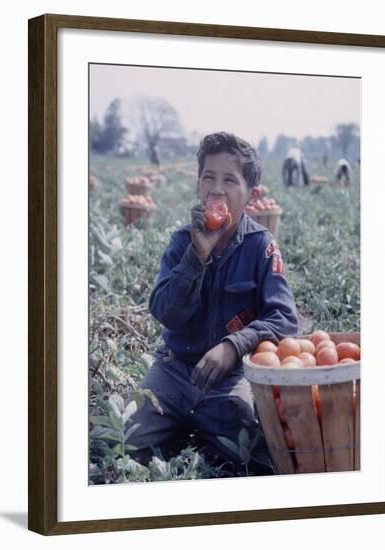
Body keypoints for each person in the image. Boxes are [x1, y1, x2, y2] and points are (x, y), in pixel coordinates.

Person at [126, 132, 298, 475]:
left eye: (230, 180)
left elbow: (284, 318)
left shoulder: (261, 247)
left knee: (254, 449)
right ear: (198, 186)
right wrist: (196, 256)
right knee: (125, 440)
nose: (217, 189)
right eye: (209, 177)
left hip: (228, 379)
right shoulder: (180, 243)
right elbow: (164, 311)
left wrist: (235, 346)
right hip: (173, 371)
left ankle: (202, 432)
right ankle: (185, 429)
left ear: (250, 195)